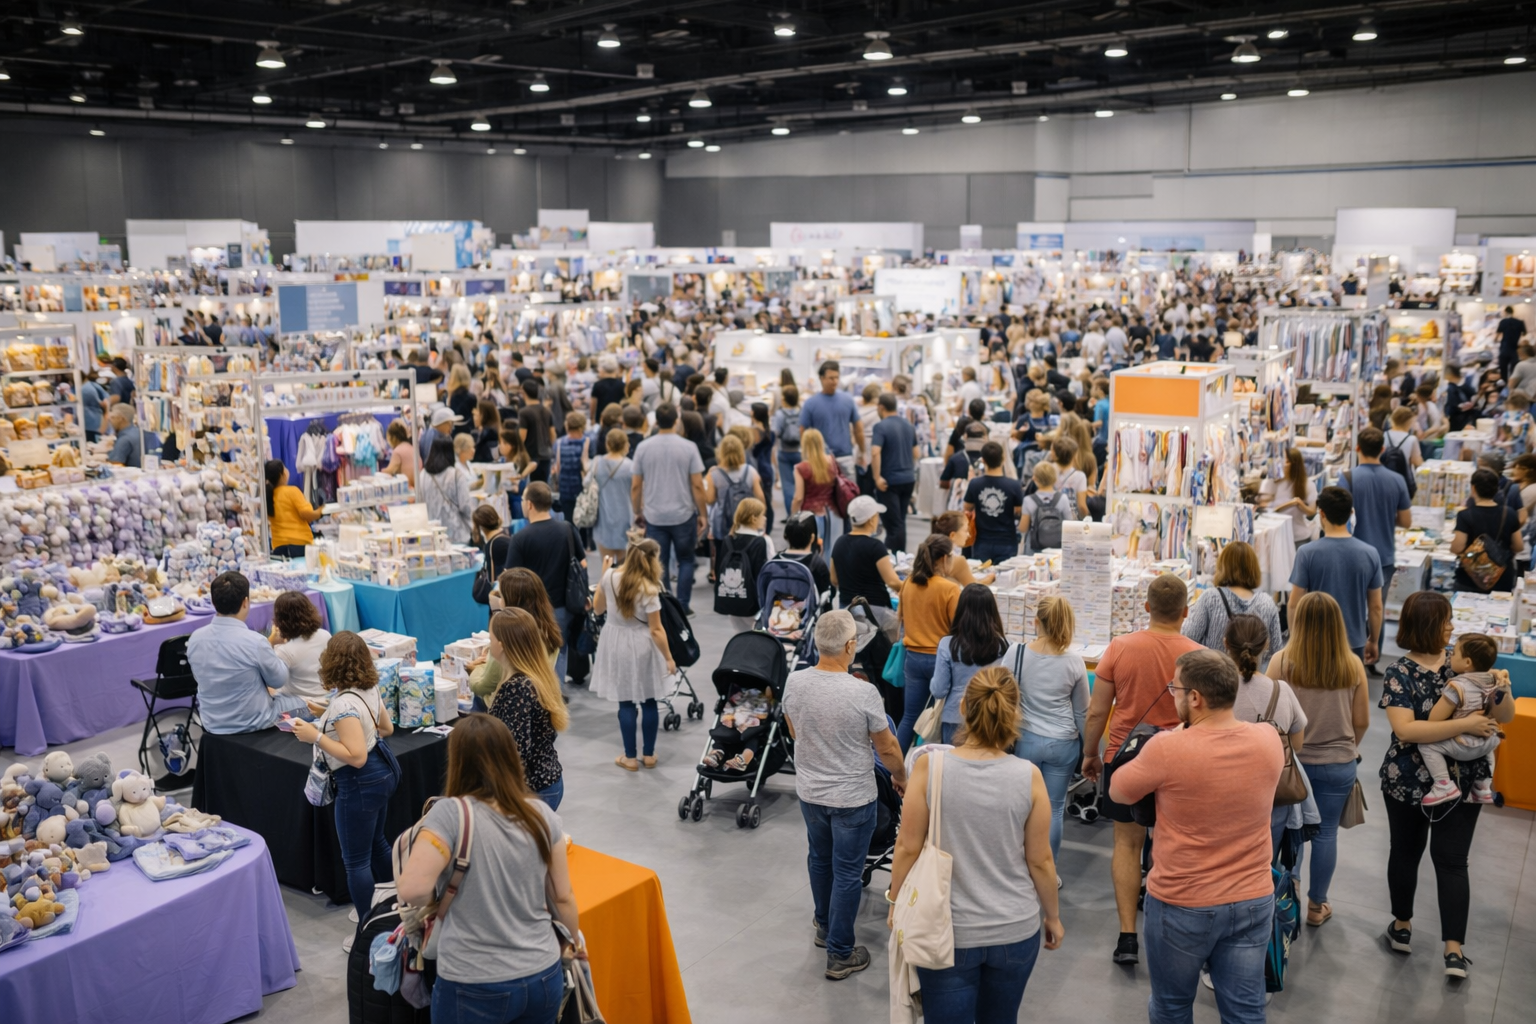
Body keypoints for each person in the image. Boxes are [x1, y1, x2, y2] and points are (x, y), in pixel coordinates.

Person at [1109, 649, 1283, 1024]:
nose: (1172, 694)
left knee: (1172, 1006)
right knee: (1245, 1010)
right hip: (1252, 898)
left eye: (1175, 687)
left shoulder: (1168, 748)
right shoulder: (1268, 739)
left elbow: (1118, 790)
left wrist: (1172, 737)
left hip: (1183, 901)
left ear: (1194, 698)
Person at [887, 666, 1063, 1021]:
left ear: (964, 708)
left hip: (947, 931)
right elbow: (1041, 860)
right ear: (1015, 715)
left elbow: (907, 846)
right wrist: (1053, 917)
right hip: (1015, 929)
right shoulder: (1029, 777)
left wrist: (895, 900)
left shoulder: (929, 768)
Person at [395, 714, 579, 1024]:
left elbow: (412, 889)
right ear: (511, 756)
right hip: (542, 973)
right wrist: (573, 948)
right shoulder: (541, 815)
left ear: (457, 761)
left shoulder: (450, 815)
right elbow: (562, 897)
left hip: (474, 980)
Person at [1379, 591, 1514, 978]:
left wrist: (1502, 688)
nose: (1453, 627)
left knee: (1450, 860)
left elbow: (1504, 716)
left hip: (1461, 782)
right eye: (1446, 620)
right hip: (1411, 781)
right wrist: (1466, 724)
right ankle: (1403, 926)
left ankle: (1451, 948)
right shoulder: (1399, 671)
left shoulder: (1467, 661)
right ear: (1427, 625)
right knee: (1408, 852)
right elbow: (1405, 730)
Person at [1080, 573, 1204, 965]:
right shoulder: (1197, 656)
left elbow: (1098, 710)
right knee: (1173, 844)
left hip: (1126, 757)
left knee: (1126, 845)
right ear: (1186, 612)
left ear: (1146, 607)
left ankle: (1127, 937)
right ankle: (1170, 932)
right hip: (1181, 761)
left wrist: (1091, 754)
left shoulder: (1119, 647)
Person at [781, 610, 907, 980]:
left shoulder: (795, 682)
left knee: (820, 859)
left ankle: (824, 925)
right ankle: (840, 952)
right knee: (849, 873)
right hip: (852, 797)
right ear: (851, 646)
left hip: (810, 792)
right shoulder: (863, 692)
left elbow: (793, 730)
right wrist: (900, 777)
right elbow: (887, 749)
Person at [1267, 591, 1369, 927]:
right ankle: (1316, 906)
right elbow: (1362, 720)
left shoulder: (1282, 661)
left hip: (1290, 765)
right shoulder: (1352, 665)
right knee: (1326, 834)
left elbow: (1269, 713)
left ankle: (1286, 900)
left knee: (1288, 833)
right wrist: (1349, 748)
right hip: (1338, 763)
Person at [289, 632, 396, 932]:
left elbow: (356, 756)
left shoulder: (342, 704)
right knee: (377, 842)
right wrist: (326, 714)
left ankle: (368, 929)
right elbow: (385, 728)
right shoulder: (369, 689)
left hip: (358, 782)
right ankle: (393, 906)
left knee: (356, 861)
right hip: (381, 774)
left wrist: (317, 736)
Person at [187, 571, 309, 734]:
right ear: (245, 602)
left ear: (214, 602)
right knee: (305, 703)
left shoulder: (195, 638)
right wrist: (281, 652)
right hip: (253, 721)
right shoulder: (255, 642)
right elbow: (278, 680)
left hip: (212, 723)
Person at [591, 539, 676, 771]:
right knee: (649, 700)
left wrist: (602, 576)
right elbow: (656, 629)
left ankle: (629, 757)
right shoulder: (650, 588)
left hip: (616, 642)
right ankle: (648, 755)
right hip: (642, 644)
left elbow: (597, 609)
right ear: (652, 560)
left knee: (626, 702)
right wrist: (669, 658)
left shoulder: (609, 577)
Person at [482, 608, 570, 809]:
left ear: (502, 645)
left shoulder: (517, 688)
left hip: (532, 791)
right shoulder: (536, 676)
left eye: (491, 638)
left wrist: (502, 800)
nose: (489, 644)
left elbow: (515, 751)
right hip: (546, 779)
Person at [1342, 427, 1412, 668]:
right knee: (1376, 606)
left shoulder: (1348, 477)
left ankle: (1349, 657)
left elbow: (1339, 515)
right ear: (1382, 449)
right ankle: (1372, 656)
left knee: (1349, 605)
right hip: (1383, 555)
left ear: (1357, 448)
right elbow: (1406, 521)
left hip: (1351, 554)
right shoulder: (1397, 480)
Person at [1290, 486, 1384, 664]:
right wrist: (1373, 640)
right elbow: (1376, 607)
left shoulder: (1306, 553)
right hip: (1353, 642)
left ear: (1321, 514)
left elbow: (1294, 604)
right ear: (1351, 513)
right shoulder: (1370, 554)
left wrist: (1295, 640)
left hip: (1313, 641)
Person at [505, 483, 586, 686]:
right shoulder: (567, 529)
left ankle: (540, 702)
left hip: (532, 611)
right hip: (563, 607)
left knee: (532, 659)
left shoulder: (520, 538)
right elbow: (582, 564)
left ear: (530, 504)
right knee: (560, 653)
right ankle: (555, 699)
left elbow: (509, 579)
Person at [631, 403, 708, 614]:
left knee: (659, 561)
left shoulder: (643, 447)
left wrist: (637, 510)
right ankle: (683, 605)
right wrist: (703, 514)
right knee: (685, 560)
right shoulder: (689, 447)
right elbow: (697, 485)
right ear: (677, 421)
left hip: (655, 514)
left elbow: (636, 485)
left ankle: (664, 604)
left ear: (655, 421)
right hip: (683, 513)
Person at [1418, 633, 1507, 807]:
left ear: (1467, 663)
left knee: (1426, 745)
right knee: (1491, 738)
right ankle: (1484, 785)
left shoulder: (1457, 686)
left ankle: (1443, 785)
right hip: (1489, 741)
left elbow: (1434, 719)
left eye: (1454, 653)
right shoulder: (1493, 680)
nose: (1450, 655)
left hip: (1464, 745)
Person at [929, 584, 1019, 745]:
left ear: (961, 610)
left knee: (953, 766)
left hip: (955, 718)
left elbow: (938, 690)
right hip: (993, 718)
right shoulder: (1006, 646)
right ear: (993, 611)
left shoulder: (948, 645)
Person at [895, 535, 962, 751]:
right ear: (943, 558)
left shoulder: (908, 583)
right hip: (940, 660)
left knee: (909, 717)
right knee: (937, 720)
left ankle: (891, 772)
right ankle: (929, 769)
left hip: (912, 658)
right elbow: (958, 628)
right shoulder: (949, 589)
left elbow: (901, 618)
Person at [472, 569, 564, 707]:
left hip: (503, 708)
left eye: (501, 596)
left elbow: (482, 686)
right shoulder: (548, 630)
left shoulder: (510, 638)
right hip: (536, 702)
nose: (499, 600)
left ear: (512, 600)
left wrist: (474, 669)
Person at [1180, 541, 1283, 658]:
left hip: (1214, 673)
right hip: (1255, 675)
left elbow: (1188, 637)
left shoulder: (1210, 598)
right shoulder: (1267, 603)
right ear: (1254, 567)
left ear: (1222, 566)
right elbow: (1276, 652)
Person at [1451, 467, 1525, 592]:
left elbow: (1457, 548)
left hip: (1471, 578)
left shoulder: (1465, 515)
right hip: (1502, 577)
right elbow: (1518, 546)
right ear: (1496, 489)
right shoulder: (1510, 513)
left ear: (1473, 488)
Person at [703, 434, 765, 577]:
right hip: (747, 521)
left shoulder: (715, 474)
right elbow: (760, 497)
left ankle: (722, 585)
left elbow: (710, 499)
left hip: (722, 523)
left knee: (722, 554)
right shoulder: (749, 471)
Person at [828, 495, 901, 609]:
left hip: (846, 609)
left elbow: (834, 579)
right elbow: (893, 582)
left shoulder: (839, 543)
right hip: (875, 612)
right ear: (871, 520)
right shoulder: (876, 546)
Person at [870, 393, 918, 554]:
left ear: (881, 407)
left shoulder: (881, 426)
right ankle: (900, 558)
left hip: (889, 482)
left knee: (893, 525)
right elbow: (916, 452)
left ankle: (890, 561)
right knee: (900, 521)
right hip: (908, 479)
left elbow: (875, 452)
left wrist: (876, 477)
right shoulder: (908, 425)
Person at [963, 441, 1025, 565]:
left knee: (981, 577)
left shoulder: (975, 484)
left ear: (983, 461)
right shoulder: (1014, 485)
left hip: (982, 540)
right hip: (1007, 541)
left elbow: (967, 508)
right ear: (1003, 459)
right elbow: (1019, 511)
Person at [800, 359, 864, 476]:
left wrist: (862, 451)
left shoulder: (848, 400)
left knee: (849, 492)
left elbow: (858, 428)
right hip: (820, 458)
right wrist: (807, 456)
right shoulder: (810, 404)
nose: (835, 381)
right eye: (831, 378)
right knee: (823, 493)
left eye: (837, 377)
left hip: (845, 456)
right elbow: (803, 432)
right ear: (821, 378)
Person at [268, 591, 332, 701]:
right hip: (326, 698)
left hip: (301, 703)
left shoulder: (284, 650)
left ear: (280, 620)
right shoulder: (325, 635)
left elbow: (272, 679)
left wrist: (270, 642)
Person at [587, 427, 636, 564]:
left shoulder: (596, 462)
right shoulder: (630, 466)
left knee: (606, 563)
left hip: (602, 518)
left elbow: (586, 482)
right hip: (626, 517)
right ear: (626, 444)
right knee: (624, 564)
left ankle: (607, 584)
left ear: (607, 444)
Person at [792, 427, 846, 550]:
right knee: (833, 550)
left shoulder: (801, 468)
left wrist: (794, 516)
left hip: (811, 515)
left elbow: (798, 497)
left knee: (813, 551)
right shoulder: (831, 460)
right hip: (834, 513)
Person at [1257, 446, 1318, 547]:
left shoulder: (1307, 485)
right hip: (1275, 539)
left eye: (1285, 461)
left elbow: (1312, 511)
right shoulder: (1272, 482)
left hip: (1298, 539)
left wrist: (1300, 504)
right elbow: (1263, 506)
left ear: (1294, 464)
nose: (1281, 463)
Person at [419, 436, 476, 545]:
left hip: (432, 533)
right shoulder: (456, 475)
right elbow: (465, 505)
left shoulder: (422, 475)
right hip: (456, 532)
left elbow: (420, 502)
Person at [264, 459, 323, 557]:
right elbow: (306, 514)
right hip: (298, 546)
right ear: (282, 474)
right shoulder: (292, 491)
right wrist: (321, 511)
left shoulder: (269, 497)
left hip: (278, 547)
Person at [773, 383, 805, 518]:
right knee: (802, 484)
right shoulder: (802, 412)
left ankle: (790, 516)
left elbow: (775, 432)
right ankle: (801, 513)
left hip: (784, 452)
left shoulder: (780, 414)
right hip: (800, 451)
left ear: (784, 398)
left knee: (787, 485)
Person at [553, 410, 589, 526]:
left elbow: (557, 468)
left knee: (569, 521)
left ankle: (571, 543)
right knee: (583, 523)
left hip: (565, 489)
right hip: (582, 489)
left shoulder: (559, 443)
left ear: (567, 425)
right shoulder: (587, 441)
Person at [518, 377, 556, 482]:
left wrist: (518, 451)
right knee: (542, 486)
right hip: (546, 455)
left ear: (524, 393)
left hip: (531, 456)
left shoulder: (524, 412)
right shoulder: (546, 411)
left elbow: (522, 436)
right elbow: (552, 434)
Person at [380, 419, 419, 488]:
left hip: (408, 488)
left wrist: (381, 472)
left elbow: (390, 470)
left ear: (393, 438)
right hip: (417, 486)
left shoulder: (398, 451)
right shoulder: (410, 447)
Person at [1496, 305, 1528, 385]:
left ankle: (1504, 386)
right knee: (1514, 369)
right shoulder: (1520, 322)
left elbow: (1497, 335)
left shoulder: (1503, 322)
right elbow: (1524, 334)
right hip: (1514, 349)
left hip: (1504, 348)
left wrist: (1495, 340)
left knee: (1503, 369)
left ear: (1506, 312)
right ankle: (1513, 386)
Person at [80, 369, 107, 442]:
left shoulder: (84, 389)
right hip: (96, 422)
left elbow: (104, 404)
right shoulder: (92, 385)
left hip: (91, 424)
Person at [471, 399, 501, 464]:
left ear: (484, 414)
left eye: (477, 412)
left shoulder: (490, 433)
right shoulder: (484, 431)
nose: (474, 416)